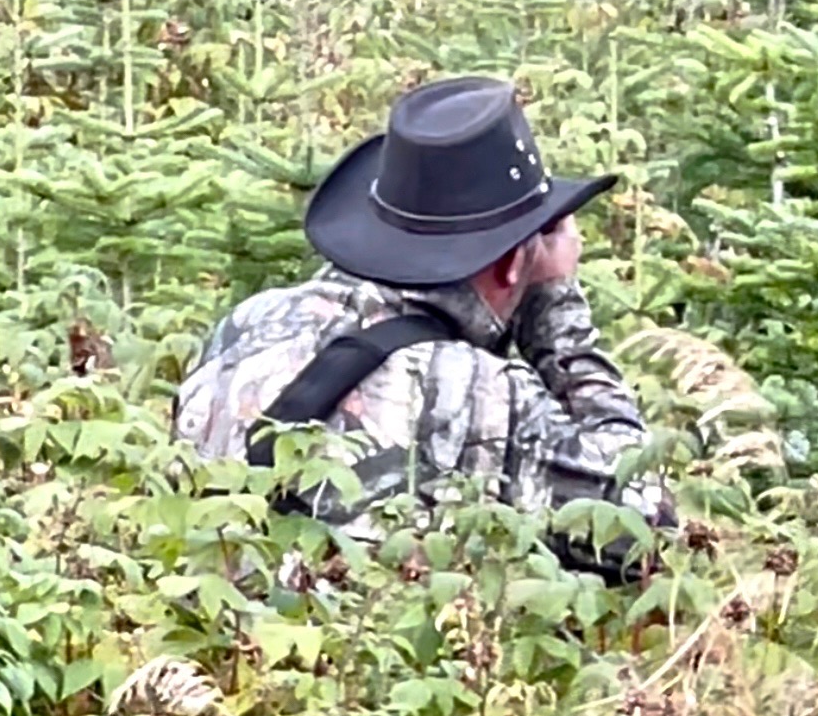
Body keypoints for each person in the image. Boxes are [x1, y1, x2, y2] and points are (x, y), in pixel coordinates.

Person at [174, 75, 676, 579]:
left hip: (205, 640)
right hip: (358, 648)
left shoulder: (248, 322)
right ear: (509, 265)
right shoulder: (474, 388)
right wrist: (555, 305)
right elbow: (646, 525)